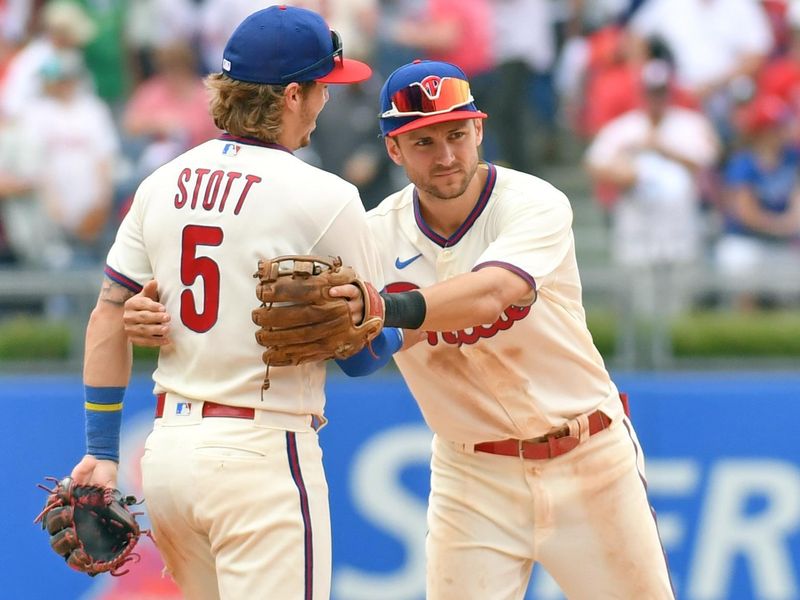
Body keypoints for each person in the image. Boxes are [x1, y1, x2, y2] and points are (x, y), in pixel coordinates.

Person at [125, 59, 675, 599]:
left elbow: (493, 292)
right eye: (424, 142)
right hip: (473, 474)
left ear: (478, 129)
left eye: (457, 134)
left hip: (587, 456)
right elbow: (364, 355)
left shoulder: (532, 203)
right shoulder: (374, 233)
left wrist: (386, 310)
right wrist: (160, 310)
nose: (446, 155)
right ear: (394, 149)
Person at [67, 6, 384, 600]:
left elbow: (109, 311)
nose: (324, 103)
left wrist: (102, 452)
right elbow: (362, 358)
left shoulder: (163, 181)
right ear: (292, 94)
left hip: (168, 456)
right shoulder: (326, 197)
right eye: (321, 89)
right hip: (262, 450)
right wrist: (393, 321)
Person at [585, 58, 719, 366]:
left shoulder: (689, 123)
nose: (656, 98)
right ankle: (640, 362)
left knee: (678, 306)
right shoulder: (624, 127)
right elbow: (594, 163)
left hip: (679, 227)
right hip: (636, 228)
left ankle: (677, 363)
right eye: (651, 91)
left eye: (661, 91)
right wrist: (623, 172)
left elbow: (709, 159)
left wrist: (660, 147)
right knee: (638, 301)